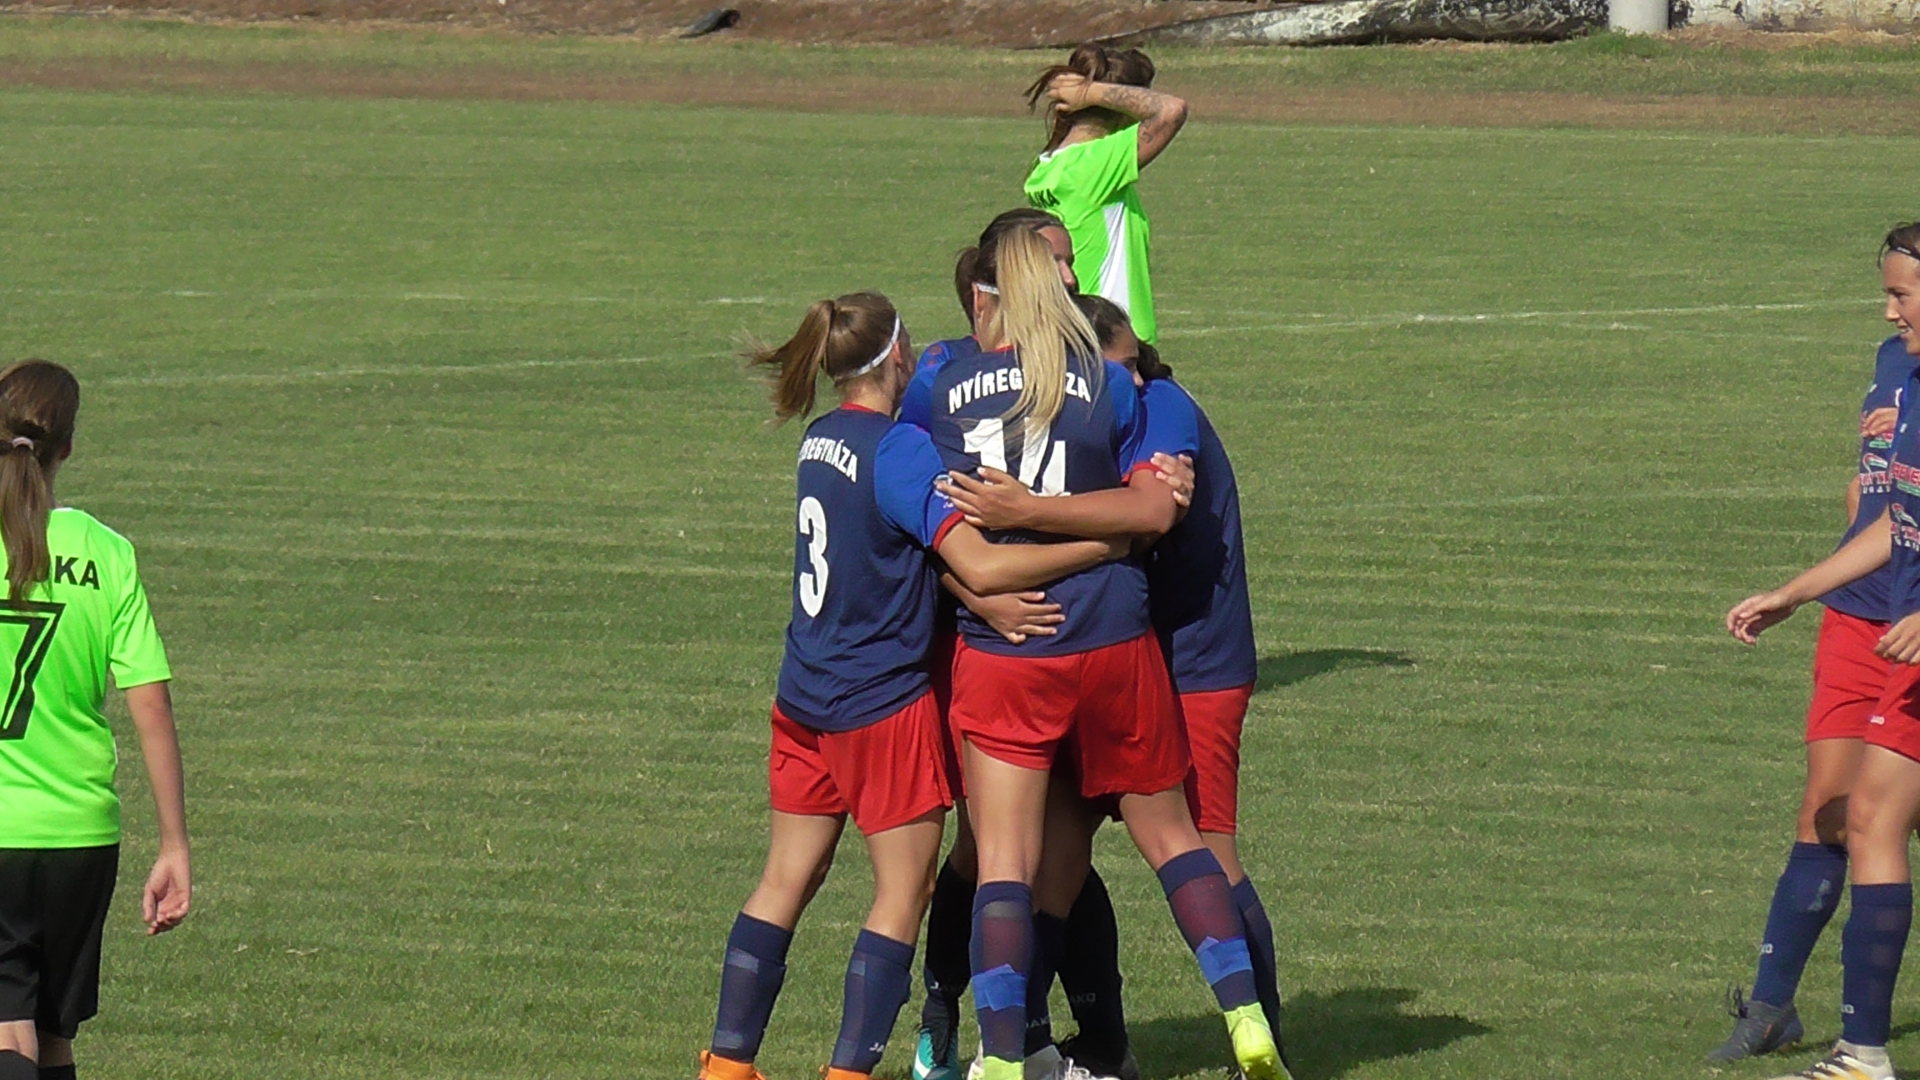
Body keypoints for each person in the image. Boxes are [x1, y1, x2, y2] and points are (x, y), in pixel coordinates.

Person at [698, 293, 1131, 1080]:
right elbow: (981, 563)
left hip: (803, 695)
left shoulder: (822, 439)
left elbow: (896, 551)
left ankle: (726, 1066)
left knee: (786, 879)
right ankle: (848, 1073)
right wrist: (1104, 543)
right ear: (899, 354)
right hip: (877, 704)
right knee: (903, 892)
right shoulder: (899, 452)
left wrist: (972, 595)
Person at [929, 222, 1284, 1080]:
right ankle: (1243, 1026)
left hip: (1035, 647)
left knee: (1004, 860)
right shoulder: (1111, 387)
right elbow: (1149, 510)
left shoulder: (940, 387)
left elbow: (914, 511)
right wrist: (1106, 538)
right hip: (1120, 642)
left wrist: (980, 571)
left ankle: (996, 1056)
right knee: (1159, 844)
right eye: (1059, 264)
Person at [1724, 223, 1920, 1080]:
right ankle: (1808, 1025)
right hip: (1875, 617)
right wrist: (1796, 591)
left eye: (1901, 293)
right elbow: (1885, 511)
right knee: (1845, 814)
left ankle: (1861, 1053)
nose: (1888, 311)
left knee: (1874, 819)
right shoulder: (1902, 371)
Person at [0, 359, 189, 1080]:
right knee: (54, 1036)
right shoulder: (107, 553)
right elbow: (151, 704)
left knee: (6, 1031)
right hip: (81, 836)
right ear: (68, 449)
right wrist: (173, 844)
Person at [1023, 44, 1189, 346]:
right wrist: (1089, 92)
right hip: (1112, 338)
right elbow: (1171, 110)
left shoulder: (1048, 168)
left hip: (1074, 332)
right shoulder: (1094, 165)